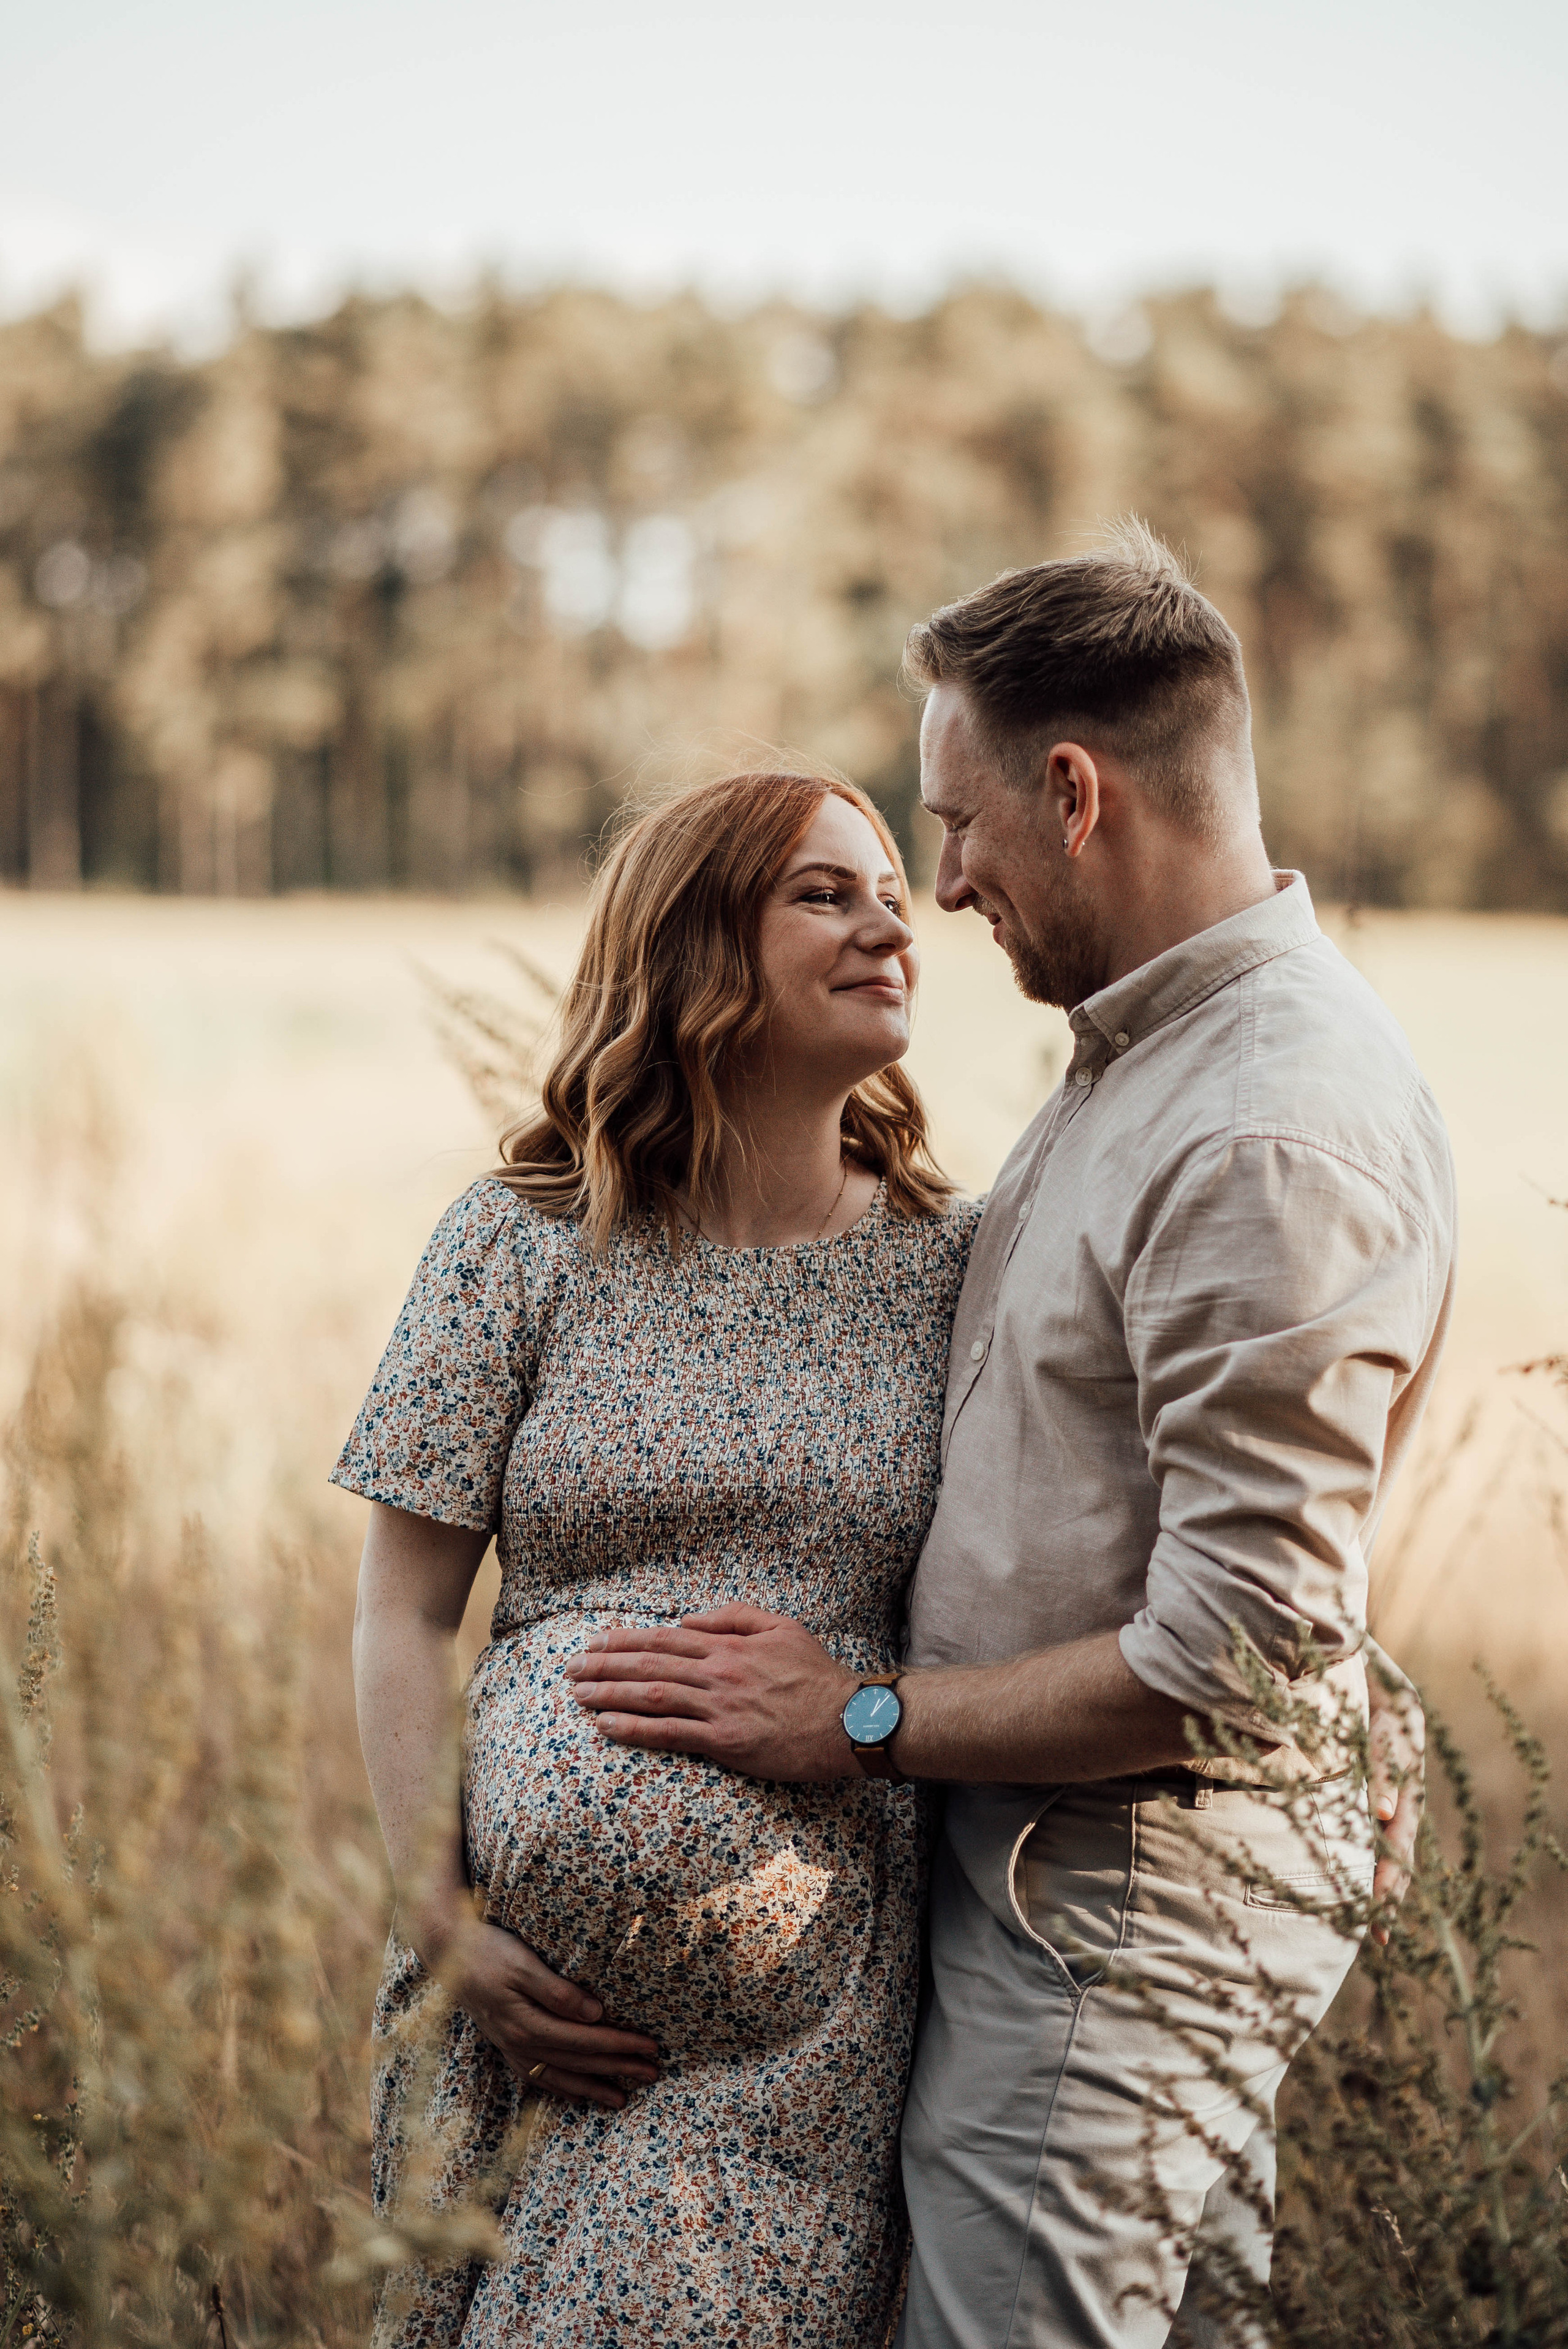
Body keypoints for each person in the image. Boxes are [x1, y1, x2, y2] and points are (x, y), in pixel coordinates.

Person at [566, 523, 1452, 2347]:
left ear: (1075, 790)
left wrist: (858, 1717)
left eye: (955, 825)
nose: (943, 887)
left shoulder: (1265, 1126)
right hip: (1082, 1889)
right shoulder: (1149, 1057)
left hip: (1113, 1919)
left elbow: (1239, 1648)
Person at [337, 768, 982, 2347]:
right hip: (510, 2022)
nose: (892, 924)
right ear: (697, 948)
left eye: (893, 889)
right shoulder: (518, 1238)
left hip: (801, 2033)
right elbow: (404, 1609)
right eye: (826, 893)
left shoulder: (954, 1262)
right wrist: (440, 1926)